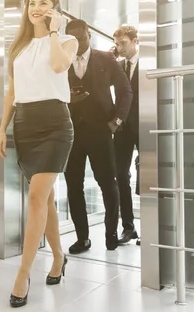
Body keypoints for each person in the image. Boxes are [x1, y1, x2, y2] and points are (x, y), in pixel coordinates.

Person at [0, 0, 78, 308]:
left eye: (44, 3)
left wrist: (54, 32)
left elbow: (58, 66)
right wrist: (2, 128)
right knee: (46, 199)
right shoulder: (18, 47)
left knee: (35, 198)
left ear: (55, 9)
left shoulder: (66, 42)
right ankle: (58, 256)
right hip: (25, 125)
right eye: (32, 3)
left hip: (56, 125)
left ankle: (23, 274)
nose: (36, 8)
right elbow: (11, 92)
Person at [64, 19, 132, 254]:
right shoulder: (61, 62)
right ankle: (82, 238)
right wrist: (68, 98)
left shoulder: (105, 58)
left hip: (101, 131)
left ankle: (111, 233)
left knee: (107, 183)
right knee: (74, 186)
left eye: (82, 39)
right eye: (73, 40)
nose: (79, 44)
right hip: (71, 132)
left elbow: (125, 91)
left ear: (89, 36)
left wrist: (117, 121)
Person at [112, 25, 140, 244]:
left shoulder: (150, 62)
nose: (119, 47)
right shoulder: (118, 65)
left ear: (135, 41)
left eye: (123, 43)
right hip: (122, 129)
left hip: (144, 126)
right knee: (120, 175)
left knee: (150, 176)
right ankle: (128, 227)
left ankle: (153, 226)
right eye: (117, 43)